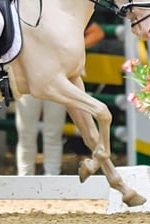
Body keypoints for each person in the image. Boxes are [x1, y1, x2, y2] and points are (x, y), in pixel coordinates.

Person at [15, 21, 105, 175]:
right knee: (28, 132)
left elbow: (97, 32)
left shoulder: (60, 11)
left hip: (57, 80)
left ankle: (51, 177)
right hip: (29, 77)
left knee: (52, 132)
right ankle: (26, 178)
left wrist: (69, 50)